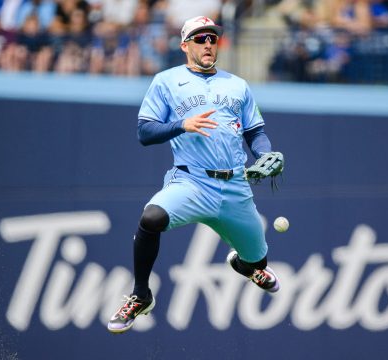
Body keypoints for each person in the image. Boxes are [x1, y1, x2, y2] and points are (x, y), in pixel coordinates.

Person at [107, 15, 282, 334]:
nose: (208, 44)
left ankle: (246, 266)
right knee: (152, 218)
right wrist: (180, 125)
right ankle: (141, 295)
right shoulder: (166, 80)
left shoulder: (237, 84)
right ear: (184, 45)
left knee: (258, 261)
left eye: (213, 39)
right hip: (192, 182)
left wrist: (264, 152)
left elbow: (256, 132)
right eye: (200, 39)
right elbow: (145, 132)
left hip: (235, 187)